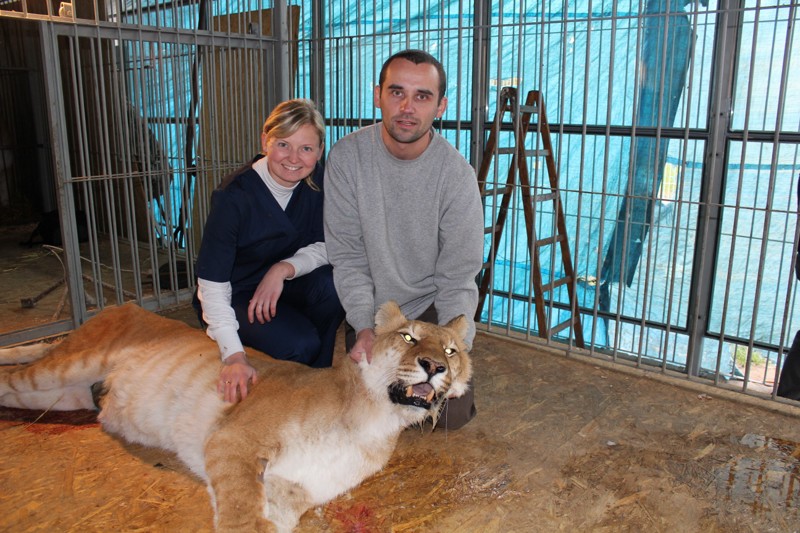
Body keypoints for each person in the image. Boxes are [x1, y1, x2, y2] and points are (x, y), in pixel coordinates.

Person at [323, 50, 485, 429]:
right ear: (377, 95)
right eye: (397, 92)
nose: (407, 107)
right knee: (366, 407)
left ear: (441, 106)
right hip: (377, 312)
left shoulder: (457, 176)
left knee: (448, 416)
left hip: (430, 310)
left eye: (422, 96)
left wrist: (455, 352)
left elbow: (458, 276)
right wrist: (364, 326)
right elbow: (348, 257)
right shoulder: (347, 158)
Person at [194, 99, 345, 403]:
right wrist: (233, 355)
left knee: (334, 284)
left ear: (319, 151)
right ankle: (291, 384)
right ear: (265, 141)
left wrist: (283, 269)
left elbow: (330, 244)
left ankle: (319, 378)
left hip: (285, 284)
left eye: (306, 148)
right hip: (238, 295)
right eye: (283, 144)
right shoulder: (233, 196)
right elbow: (212, 284)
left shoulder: (318, 183)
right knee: (300, 344)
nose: (294, 158)